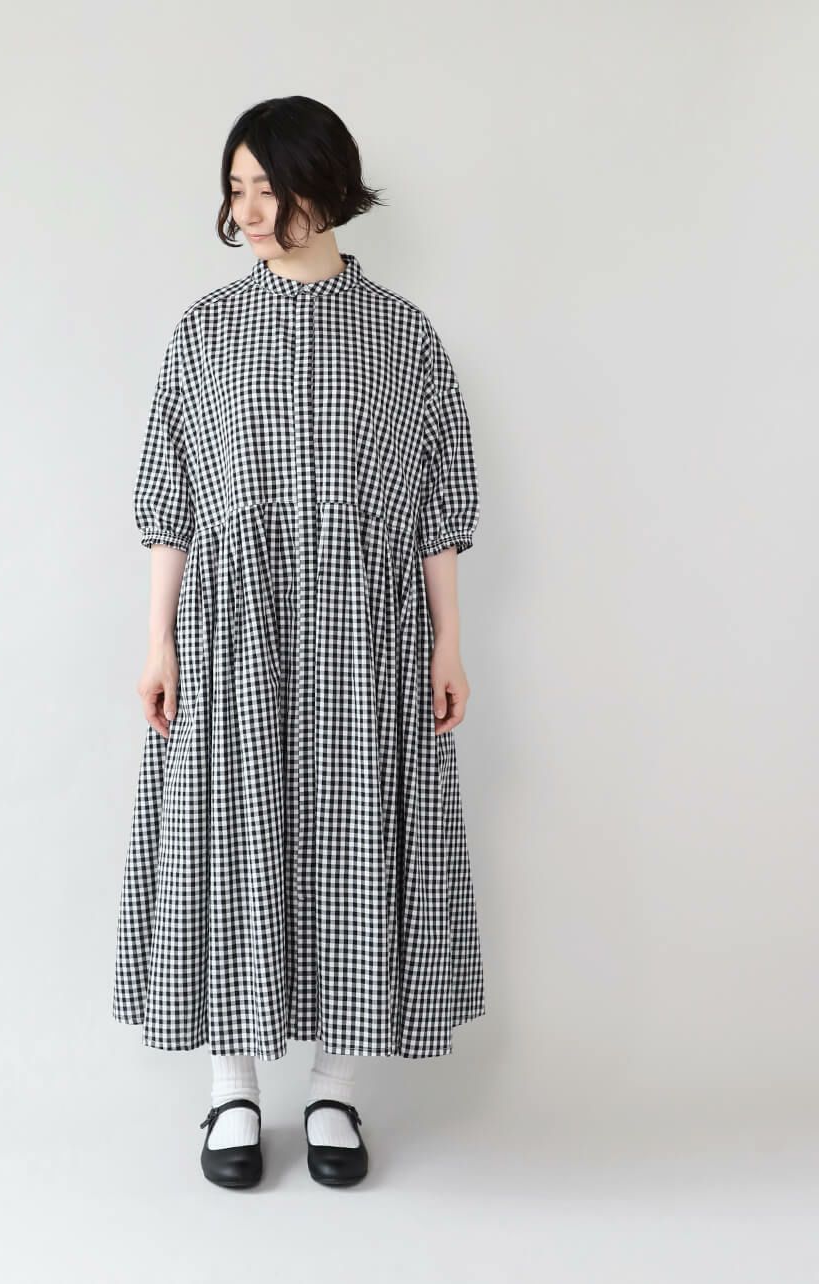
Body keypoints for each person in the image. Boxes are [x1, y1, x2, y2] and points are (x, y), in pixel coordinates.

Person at [112, 95, 486, 1189]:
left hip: (366, 634)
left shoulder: (403, 335)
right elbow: (170, 499)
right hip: (234, 633)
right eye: (235, 189)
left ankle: (335, 1089)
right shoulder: (205, 332)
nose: (247, 211)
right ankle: (230, 1090)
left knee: (357, 838)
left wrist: (448, 643)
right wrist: (158, 642)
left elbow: (438, 505)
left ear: (323, 186)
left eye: (266, 189)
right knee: (229, 837)